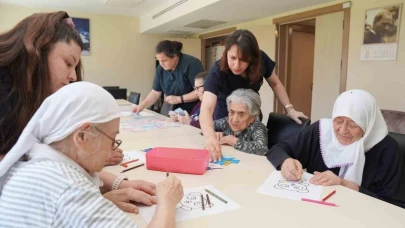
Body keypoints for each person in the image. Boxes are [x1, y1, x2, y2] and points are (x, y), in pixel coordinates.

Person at [0, 11, 157, 213]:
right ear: (39, 49)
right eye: (67, 63)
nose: (73, 76)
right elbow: (25, 180)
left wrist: (117, 183)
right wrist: (89, 203)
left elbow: (59, 160)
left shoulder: (34, 96)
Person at [0, 82, 184, 227]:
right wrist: (167, 202)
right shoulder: (69, 187)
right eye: (112, 139)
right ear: (82, 136)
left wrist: (102, 198)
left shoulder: (36, 161)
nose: (114, 148)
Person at [266, 89, 405, 208]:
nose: (342, 130)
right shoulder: (321, 131)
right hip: (315, 210)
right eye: (338, 120)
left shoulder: (387, 149)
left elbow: (394, 204)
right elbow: (278, 149)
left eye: (353, 124)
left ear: (368, 125)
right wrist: (285, 161)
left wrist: (344, 184)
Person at [200, 29, 307, 161]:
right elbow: (206, 109)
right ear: (226, 53)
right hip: (225, 113)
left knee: (249, 156)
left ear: (252, 57)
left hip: (249, 115)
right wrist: (210, 136)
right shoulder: (217, 72)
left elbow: (275, 84)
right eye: (232, 58)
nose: (237, 65)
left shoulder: (261, 61)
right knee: (226, 155)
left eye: (244, 60)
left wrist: (290, 109)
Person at [133, 40, 204, 114]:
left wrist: (179, 99)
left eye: (164, 60)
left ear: (175, 56)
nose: (161, 64)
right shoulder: (160, 69)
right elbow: (155, 92)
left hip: (192, 111)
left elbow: (201, 91)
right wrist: (141, 106)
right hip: (173, 111)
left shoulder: (191, 64)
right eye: (159, 60)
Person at [214, 89, 268, 155]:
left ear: (252, 117)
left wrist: (234, 141)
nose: (234, 119)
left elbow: (262, 149)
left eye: (241, 114)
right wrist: (214, 134)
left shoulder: (257, 127)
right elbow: (208, 125)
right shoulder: (227, 121)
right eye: (232, 112)